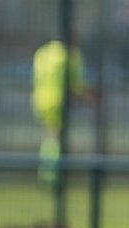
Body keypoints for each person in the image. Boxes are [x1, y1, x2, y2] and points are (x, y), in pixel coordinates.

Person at [32, 39, 94, 187]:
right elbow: (76, 84)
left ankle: (48, 172)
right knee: (56, 139)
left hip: (40, 99)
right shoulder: (71, 55)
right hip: (59, 101)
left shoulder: (42, 52)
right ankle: (52, 175)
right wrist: (87, 97)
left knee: (50, 137)